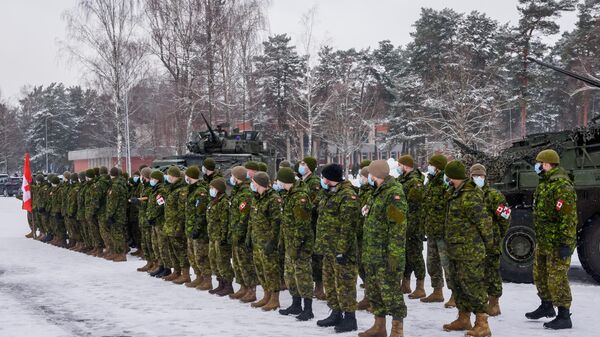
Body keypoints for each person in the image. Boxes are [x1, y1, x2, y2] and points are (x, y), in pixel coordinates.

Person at [525, 149, 577, 330]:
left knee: (557, 278)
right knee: (540, 275)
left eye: (539, 163)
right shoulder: (545, 183)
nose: (537, 166)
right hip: (545, 240)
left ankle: (564, 315)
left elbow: (568, 219)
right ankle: (547, 306)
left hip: (557, 242)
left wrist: (566, 244)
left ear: (546, 164)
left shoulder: (561, 185)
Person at [442, 160, 494, 337]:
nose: (446, 179)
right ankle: (463, 318)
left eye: (448, 176)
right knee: (459, 285)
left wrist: (489, 245)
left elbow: (484, 222)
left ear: (453, 176)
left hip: (470, 250)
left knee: (473, 286)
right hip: (456, 250)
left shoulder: (470, 194)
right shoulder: (454, 192)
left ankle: (482, 323)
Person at [359, 160, 408, 337]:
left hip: (386, 255)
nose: (368, 177)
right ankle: (379, 326)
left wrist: (393, 256)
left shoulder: (394, 194)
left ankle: (397, 330)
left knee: (391, 293)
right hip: (373, 254)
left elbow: (398, 227)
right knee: (374, 291)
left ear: (376, 174)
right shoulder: (377, 192)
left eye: (370, 174)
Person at [315, 163, 360, 333]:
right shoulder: (328, 193)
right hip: (328, 248)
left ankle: (350, 318)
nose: (322, 180)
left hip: (343, 251)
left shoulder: (347, 196)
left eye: (324, 176)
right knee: (330, 283)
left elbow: (348, 226)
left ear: (330, 178)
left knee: (345, 285)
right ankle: (336, 312)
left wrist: (342, 249)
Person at [470, 163, 510, 316]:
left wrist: (498, 234)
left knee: (492, 272)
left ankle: (494, 303)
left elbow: (505, 216)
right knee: (476, 273)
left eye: (480, 176)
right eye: (475, 176)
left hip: (491, 242)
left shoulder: (494, 195)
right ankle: (481, 301)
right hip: (474, 242)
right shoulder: (470, 195)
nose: (477, 178)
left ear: (485, 177)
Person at [277, 167, 315, 320]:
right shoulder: (289, 195)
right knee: (290, 275)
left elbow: (302, 224)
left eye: (279, 180)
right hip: (290, 242)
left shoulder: (300, 197)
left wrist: (297, 245)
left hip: (300, 244)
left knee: (303, 275)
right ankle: (296, 304)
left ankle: (308, 309)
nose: (277, 182)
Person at [247, 171, 283, 311]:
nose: (252, 185)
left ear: (260, 183)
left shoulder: (273, 199)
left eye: (254, 182)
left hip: (268, 243)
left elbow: (277, 223)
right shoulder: (257, 198)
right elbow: (252, 220)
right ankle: (266, 295)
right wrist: (249, 237)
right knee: (261, 270)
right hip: (258, 242)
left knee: (271, 271)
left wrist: (273, 242)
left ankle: (274, 299)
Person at [421, 154, 452, 305]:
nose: (429, 167)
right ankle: (437, 291)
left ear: (438, 168)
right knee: (432, 263)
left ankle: (455, 295)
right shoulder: (430, 183)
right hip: (432, 230)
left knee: (448, 265)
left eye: (432, 165)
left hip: (443, 231)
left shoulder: (446, 184)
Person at [397, 155, 426, 300]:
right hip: (405, 224)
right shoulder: (403, 180)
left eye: (399, 164)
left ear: (405, 165)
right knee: (406, 255)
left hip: (414, 226)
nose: (398, 167)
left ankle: (420, 287)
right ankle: (405, 283)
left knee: (416, 256)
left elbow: (414, 206)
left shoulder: (414, 182)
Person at [228, 166, 258, 302]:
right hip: (235, 232)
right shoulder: (237, 191)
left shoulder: (245, 193)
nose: (231, 178)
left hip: (242, 233)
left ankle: (251, 290)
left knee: (246, 263)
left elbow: (244, 217)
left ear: (237, 177)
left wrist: (238, 234)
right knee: (238, 263)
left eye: (233, 175)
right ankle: (243, 287)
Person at [297, 156, 325, 300]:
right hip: (305, 223)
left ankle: (319, 287)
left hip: (312, 223)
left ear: (310, 167)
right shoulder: (302, 181)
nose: (300, 166)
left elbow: (314, 203)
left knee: (316, 257)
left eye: (303, 164)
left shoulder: (313, 182)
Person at [183, 166, 213, 290]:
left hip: (199, 231)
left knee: (201, 256)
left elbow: (201, 213)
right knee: (192, 255)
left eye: (187, 176)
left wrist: (198, 228)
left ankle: (207, 279)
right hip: (190, 228)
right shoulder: (190, 190)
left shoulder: (201, 192)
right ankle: (198, 276)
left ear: (191, 177)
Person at [163, 166, 190, 284]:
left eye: (169, 175)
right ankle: (176, 271)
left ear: (174, 176)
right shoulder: (172, 188)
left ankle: (185, 274)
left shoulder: (181, 190)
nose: (168, 177)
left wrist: (180, 226)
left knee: (181, 250)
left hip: (176, 225)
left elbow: (182, 211)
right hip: (170, 224)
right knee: (172, 249)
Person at [207, 178, 234, 296]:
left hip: (220, 236)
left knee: (223, 261)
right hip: (213, 235)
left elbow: (224, 221)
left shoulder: (223, 202)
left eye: (212, 188)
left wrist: (223, 237)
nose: (211, 190)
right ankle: (220, 283)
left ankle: (228, 285)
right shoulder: (213, 201)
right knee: (214, 260)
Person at [146, 170, 171, 278]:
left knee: (162, 245)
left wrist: (153, 216)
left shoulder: (161, 190)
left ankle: (167, 267)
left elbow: (160, 206)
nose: (151, 180)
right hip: (155, 222)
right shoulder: (154, 190)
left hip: (160, 222)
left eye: (153, 178)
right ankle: (161, 265)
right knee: (156, 245)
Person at [357, 166, 375, 311]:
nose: (360, 178)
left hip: (367, 235)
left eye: (362, 176)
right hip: (360, 234)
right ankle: (368, 296)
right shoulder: (362, 191)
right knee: (362, 267)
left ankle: (372, 298)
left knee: (369, 269)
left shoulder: (371, 192)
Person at [105, 167, 129, 262]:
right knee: (118, 233)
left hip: (116, 214)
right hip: (121, 212)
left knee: (117, 234)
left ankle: (121, 254)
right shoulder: (121, 184)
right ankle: (117, 252)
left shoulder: (115, 186)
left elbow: (113, 202)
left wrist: (110, 214)